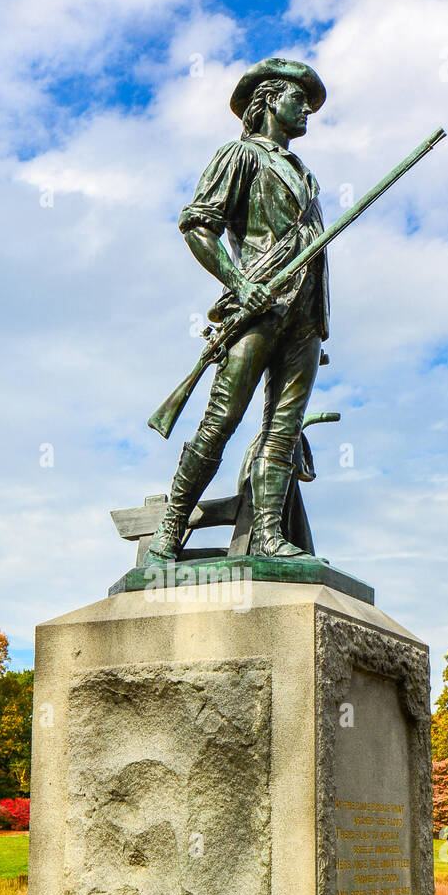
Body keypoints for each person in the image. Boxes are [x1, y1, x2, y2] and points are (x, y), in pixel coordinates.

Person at [148, 57, 330, 563]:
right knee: (220, 421)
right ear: (271, 99)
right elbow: (197, 224)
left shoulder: (305, 175)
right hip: (258, 308)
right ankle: (171, 528)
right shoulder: (239, 155)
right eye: (299, 100)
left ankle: (270, 535)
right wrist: (239, 282)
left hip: (306, 315)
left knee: (283, 429)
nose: (307, 111)